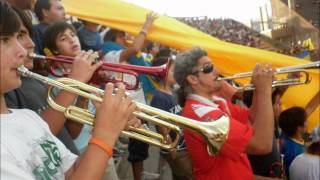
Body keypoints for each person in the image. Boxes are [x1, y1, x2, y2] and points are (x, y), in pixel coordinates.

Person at [0, 2, 140, 179]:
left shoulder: (28, 117)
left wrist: (108, 127)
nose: (23, 48)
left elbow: (71, 171)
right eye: (4, 40)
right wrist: (104, 135)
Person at [174, 47, 275, 180]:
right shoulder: (203, 116)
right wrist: (264, 90)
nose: (217, 72)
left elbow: (252, 116)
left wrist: (257, 88)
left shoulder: (216, 103)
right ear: (193, 79)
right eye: (208, 68)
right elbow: (262, 145)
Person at [43, 21, 121, 180]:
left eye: (73, 35)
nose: (72, 40)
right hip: (80, 153)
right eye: (63, 38)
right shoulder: (54, 82)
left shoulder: (89, 70)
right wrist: (84, 89)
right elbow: (74, 132)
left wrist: (105, 85)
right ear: (55, 49)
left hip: (101, 141)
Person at [101, 12, 157, 180]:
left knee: (139, 145)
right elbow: (135, 48)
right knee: (138, 147)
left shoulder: (117, 54)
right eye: (124, 36)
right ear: (118, 36)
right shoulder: (111, 54)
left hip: (135, 103)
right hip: (130, 106)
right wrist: (146, 25)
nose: (127, 40)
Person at [150, 56, 193, 180]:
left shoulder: (174, 91)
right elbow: (162, 127)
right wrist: (172, 150)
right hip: (176, 149)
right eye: (174, 71)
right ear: (163, 73)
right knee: (187, 175)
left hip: (183, 145)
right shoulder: (159, 98)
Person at [278, 106, 308, 177]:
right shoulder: (296, 152)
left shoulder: (285, 132)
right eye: (306, 121)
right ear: (299, 128)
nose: (308, 122)